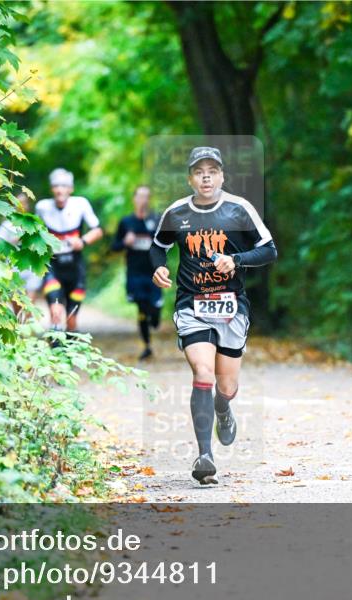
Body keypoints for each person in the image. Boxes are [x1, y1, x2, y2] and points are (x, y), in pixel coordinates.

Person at [149, 147, 277, 484]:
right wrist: (159, 267)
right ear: (190, 178)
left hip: (232, 306)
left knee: (226, 384)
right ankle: (205, 455)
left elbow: (269, 250)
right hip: (192, 304)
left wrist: (236, 260)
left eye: (212, 170)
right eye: (199, 171)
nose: (206, 176)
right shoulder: (176, 213)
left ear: (221, 176)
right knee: (202, 372)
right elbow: (157, 246)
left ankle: (223, 406)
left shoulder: (239, 210)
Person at [36, 168, 102, 334]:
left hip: (75, 267)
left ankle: (70, 354)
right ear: (52, 189)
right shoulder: (42, 207)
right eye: (56, 186)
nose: (59, 190)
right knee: (56, 314)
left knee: (71, 320)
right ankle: (55, 353)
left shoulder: (80, 204)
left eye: (64, 186)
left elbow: (98, 230)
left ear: (70, 189)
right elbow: (34, 234)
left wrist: (83, 241)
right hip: (53, 267)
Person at [110, 185, 163, 360]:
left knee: (154, 309)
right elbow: (114, 247)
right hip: (135, 273)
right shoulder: (126, 222)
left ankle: (156, 314)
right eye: (140, 196)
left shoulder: (157, 220)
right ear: (134, 199)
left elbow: (169, 243)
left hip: (155, 272)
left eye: (147, 196)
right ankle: (147, 345)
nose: (143, 200)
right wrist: (125, 242)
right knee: (141, 308)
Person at [0, 192, 43, 319]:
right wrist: (16, 239)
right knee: (18, 312)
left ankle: (27, 331)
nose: (22, 206)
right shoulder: (6, 226)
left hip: (32, 270)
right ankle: (21, 334)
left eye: (25, 203)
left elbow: (41, 245)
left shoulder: (34, 223)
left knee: (29, 308)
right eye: (19, 203)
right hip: (14, 271)